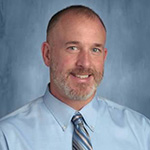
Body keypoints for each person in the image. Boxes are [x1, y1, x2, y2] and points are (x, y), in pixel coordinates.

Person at [0, 5, 150, 150]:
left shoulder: (141, 132)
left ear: (104, 57)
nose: (85, 63)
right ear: (47, 54)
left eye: (95, 50)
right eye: (73, 48)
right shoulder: (7, 137)